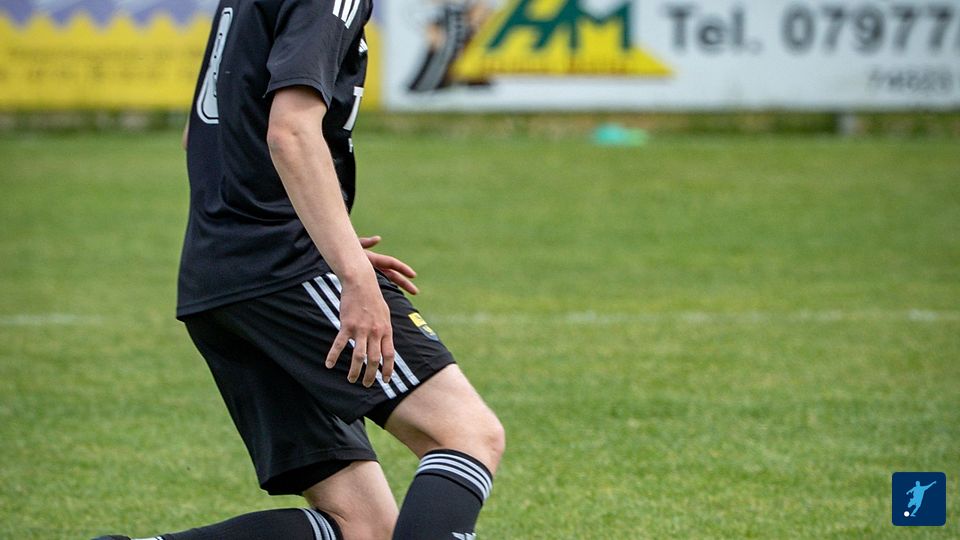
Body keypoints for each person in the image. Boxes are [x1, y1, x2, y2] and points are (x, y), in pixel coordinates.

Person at [94, 0, 504, 538]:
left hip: (221, 272)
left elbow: (202, 134)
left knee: (363, 527)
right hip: (279, 266)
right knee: (466, 434)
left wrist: (325, 239)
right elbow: (289, 131)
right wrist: (351, 273)